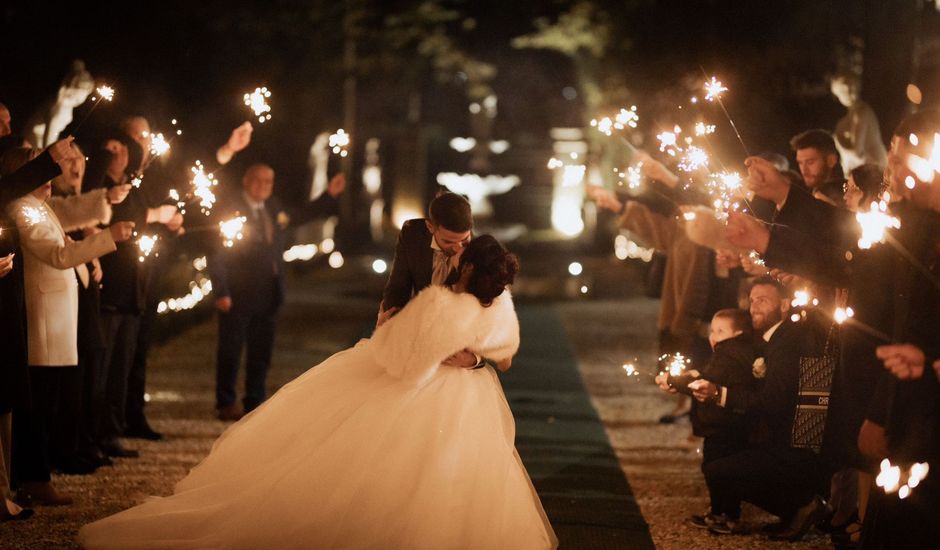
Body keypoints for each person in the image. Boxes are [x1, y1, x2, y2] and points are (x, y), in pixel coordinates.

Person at [78, 235, 557, 549]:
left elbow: (400, 362)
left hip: (423, 394)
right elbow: (507, 358)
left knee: (376, 464)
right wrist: (474, 360)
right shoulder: (502, 307)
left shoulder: (438, 302)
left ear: (467, 266)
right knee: (452, 480)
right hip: (471, 402)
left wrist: (395, 333)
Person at [5, 146, 134, 506]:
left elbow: (63, 245)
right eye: (44, 172)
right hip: (45, 321)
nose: (51, 179)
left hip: (59, 319)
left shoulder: (40, 207)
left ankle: (38, 475)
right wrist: (110, 238)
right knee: (40, 406)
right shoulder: (22, 209)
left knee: (51, 402)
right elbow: (58, 254)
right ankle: (34, 478)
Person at [691, 277, 828, 540]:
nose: (754, 307)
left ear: (785, 305)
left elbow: (773, 401)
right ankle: (791, 508)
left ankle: (801, 504)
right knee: (719, 457)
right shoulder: (774, 337)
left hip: (791, 445)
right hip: (776, 437)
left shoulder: (787, 343)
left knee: (718, 469)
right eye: (752, 300)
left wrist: (720, 394)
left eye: (763, 300)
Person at [208, 163, 345, 421]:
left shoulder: (273, 207)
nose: (264, 186)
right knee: (231, 350)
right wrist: (221, 290)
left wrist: (329, 195)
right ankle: (225, 402)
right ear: (246, 181)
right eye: (258, 180)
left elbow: (301, 215)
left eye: (269, 181)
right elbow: (215, 254)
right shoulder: (230, 209)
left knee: (261, 352)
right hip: (238, 292)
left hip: (269, 292)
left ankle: (254, 400)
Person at [655, 308, 758, 531]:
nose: (713, 336)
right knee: (714, 469)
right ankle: (718, 512)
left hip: (723, 426)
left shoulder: (728, 354)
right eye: (712, 330)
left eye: (721, 331)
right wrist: (688, 379)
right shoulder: (731, 353)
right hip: (723, 425)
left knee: (717, 470)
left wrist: (676, 381)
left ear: (738, 333)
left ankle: (728, 515)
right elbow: (707, 380)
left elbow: (709, 383)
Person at [830, 71, 888, 175]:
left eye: (850, 86)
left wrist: (838, 142)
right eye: (842, 90)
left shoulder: (862, 113)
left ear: (857, 87)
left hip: (874, 170)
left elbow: (858, 155)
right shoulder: (848, 118)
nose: (848, 92)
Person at [790, 129, 846, 206]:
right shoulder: (801, 193)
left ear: (831, 160)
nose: (804, 171)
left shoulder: (847, 195)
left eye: (810, 162)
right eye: (800, 163)